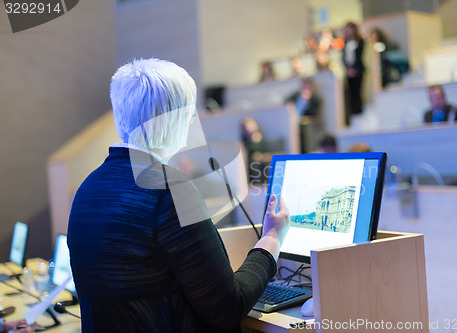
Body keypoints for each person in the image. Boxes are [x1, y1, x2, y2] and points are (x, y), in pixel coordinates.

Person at [67, 59, 291, 333]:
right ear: (172, 119)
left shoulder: (88, 188)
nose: (191, 122)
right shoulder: (169, 189)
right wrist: (271, 238)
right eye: (188, 114)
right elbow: (227, 308)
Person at [286, 78, 322, 153]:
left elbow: (314, 115)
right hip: (292, 124)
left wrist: (307, 102)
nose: (305, 90)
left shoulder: (315, 100)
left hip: (306, 127)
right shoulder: (294, 96)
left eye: (308, 88)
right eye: (304, 87)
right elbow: (285, 104)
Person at [343, 22, 365, 124]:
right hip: (348, 71)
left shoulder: (360, 41)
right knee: (351, 94)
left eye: (350, 29)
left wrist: (355, 69)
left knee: (358, 93)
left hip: (358, 70)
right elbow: (344, 57)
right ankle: (353, 116)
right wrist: (348, 69)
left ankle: (359, 114)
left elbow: (360, 56)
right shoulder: (345, 42)